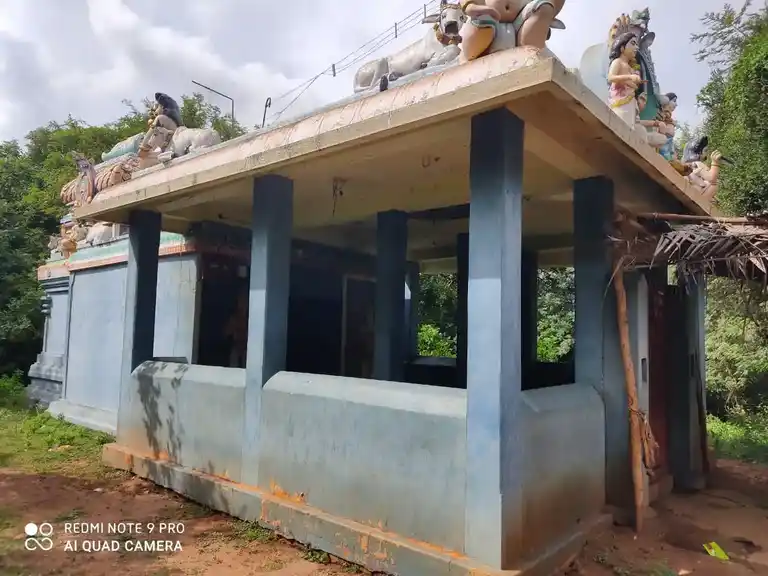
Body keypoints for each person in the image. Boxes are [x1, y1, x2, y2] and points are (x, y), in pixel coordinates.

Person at [607, 32, 643, 128]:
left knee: (629, 128)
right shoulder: (617, 62)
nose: (636, 48)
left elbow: (634, 86)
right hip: (619, 103)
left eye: (637, 45)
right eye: (633, 43)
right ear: (622, 47)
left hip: (630, 103)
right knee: (620, 126)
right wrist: (629, 78)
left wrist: (634, 82)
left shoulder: (631, 68)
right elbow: (610, 78)